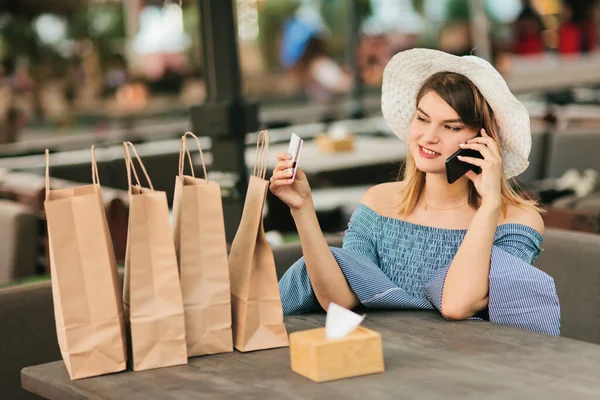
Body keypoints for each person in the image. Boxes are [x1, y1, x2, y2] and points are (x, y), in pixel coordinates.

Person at [270, 48, 560, 336]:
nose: (429, 136)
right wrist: (303, 208)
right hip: (381, 358)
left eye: (451, 126)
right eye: (422, 119)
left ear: (483, 141)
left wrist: (489, 206)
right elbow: (342, 300)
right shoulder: (379, 203)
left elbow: (457, 305)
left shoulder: (516, 221)